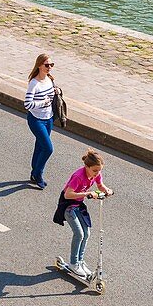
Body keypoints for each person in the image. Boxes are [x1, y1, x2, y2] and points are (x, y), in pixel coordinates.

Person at [53, 150, 114, 280]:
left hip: (78, 205)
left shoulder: (96, 173)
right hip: (68, 205)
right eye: (95, 170)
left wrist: (107, 190)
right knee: (79, 234)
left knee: (87, 233)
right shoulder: (78, 176)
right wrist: (87, 194)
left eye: (99, 170)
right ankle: (74, 263)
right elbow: (67, 194)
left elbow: (100, 185)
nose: (97, 173)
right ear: (87, 167)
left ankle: (80, 261)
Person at [25, 53, 57, 189]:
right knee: (48, 148)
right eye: (47, 65)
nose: (49, 67)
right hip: (36, 120)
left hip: (48, 119)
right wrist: (42, 102)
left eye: (51, 65)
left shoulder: (49, 80)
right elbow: (27, 104)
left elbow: (51, 97)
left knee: (40, 145)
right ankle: (38, 174)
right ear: (39, 65)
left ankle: (34, 173)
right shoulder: (34, 83)